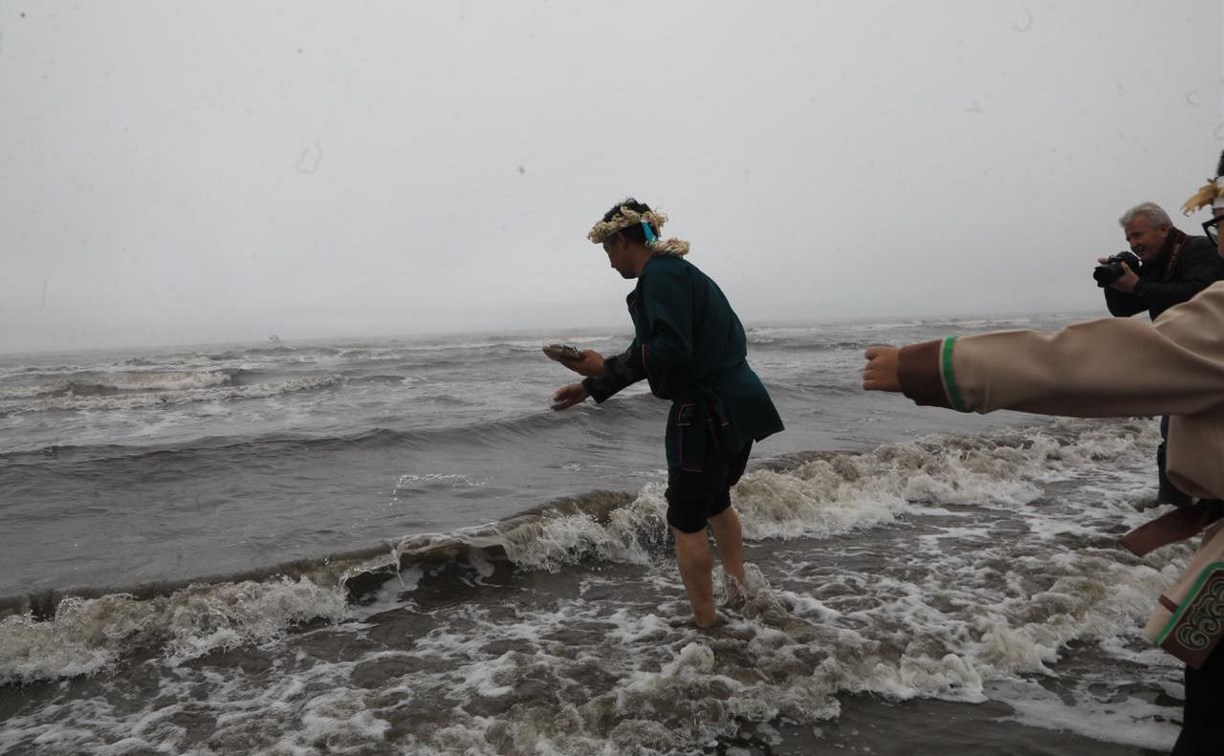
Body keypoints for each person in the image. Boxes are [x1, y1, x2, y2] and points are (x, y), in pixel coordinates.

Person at [862, 163, 1224, 755]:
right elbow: (1126, 320)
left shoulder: (1206, 271)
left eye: (1220, 216)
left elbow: (1098, 361)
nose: (1216, 232)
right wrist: (1123, 286)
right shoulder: (1170, 269)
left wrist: (932, 368)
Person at [547, 199, 784, 628]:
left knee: (685, 516)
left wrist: (604, 368)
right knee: (716, 502)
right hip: (738, 401)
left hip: (706, 410)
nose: (610, 263)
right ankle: (738, 590)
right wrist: (591, 385)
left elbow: (669, 352)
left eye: (608, 252)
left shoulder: (660, 276)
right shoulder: (679, 273)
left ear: (621, 240)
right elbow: (657, 351)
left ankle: (707, 624)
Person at [1096, 201, 1224, 505]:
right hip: (1182, 362)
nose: (1134, 244)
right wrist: (1114, 282)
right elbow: (1123, 310)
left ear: (1164, 228)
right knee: (1174, 435)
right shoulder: (1155, 264)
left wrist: (1139, 285)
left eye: (1138, 236)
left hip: (1211, 360)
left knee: (1189, 435)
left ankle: (1194, 509)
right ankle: (1175, 509)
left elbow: (1195, 296)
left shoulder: (1199, 250)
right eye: (1129, 239)